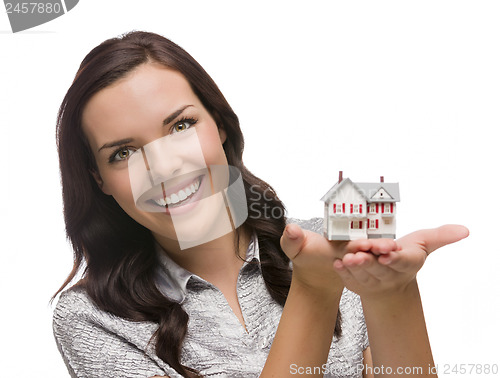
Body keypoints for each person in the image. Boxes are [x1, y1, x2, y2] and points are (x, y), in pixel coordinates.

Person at [52, 31, 468, 378]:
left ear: (219, 124)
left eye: (181, 125)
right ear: (98, 179)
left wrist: (393, 294)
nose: (164, 168)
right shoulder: (90, 319)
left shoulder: (334, 245)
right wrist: (314, 290)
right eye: (123, 153)